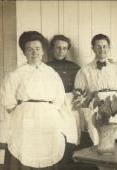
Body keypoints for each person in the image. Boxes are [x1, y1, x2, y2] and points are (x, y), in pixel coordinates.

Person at [0, 31, 66, 170]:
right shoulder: (16, 74)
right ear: (24, 52)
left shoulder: (52, 73)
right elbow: (7, 100)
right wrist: (23, 112)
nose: (34, 53)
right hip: (24, 119)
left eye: (37, 49)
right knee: (25, 150)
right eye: (29, 50)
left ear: (43, 51)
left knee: (47, 150)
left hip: (47, 119)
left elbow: (59, 98)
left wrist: (48, 112)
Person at [74, 34, 117, 146]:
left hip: (115, 107)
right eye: (98, 46)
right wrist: (83, 118)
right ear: (93, 48)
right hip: (95, 108)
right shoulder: (84, 71)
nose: (102, 49)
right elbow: (79, 97)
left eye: (105, 46)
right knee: (98, 141)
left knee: (116, 139)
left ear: (108, 48)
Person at [46, 35, 80, 167]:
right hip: (52, 104)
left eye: (64, 48)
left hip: (69, 104)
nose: (61, 51)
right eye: (58, 48)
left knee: (70, 134)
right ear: (52, 49)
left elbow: (79, 88)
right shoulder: (45, 67)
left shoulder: (74, 67)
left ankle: (68, 163)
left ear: (67, 50)